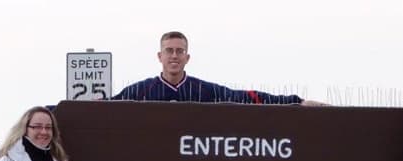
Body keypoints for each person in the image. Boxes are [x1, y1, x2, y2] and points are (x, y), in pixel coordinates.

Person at [113, 31, 322, 105]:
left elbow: (246, 97)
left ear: (187, 57)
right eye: (169, 51)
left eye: (179, 51)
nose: (174, 56)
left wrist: (297, 101)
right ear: (160, 56)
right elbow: (107, 107)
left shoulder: (203, 90)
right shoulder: (141, 90)